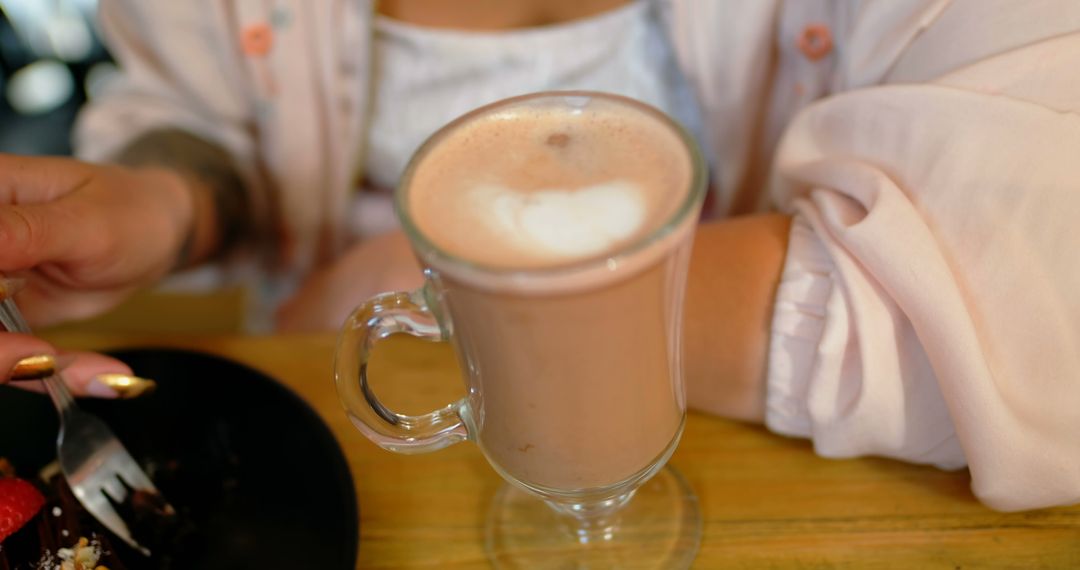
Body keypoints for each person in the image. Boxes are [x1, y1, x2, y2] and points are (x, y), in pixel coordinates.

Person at [1, 0, 1078, 512]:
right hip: (337, 458)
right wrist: (172, 198)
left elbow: (1047, 312)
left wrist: (412, 276)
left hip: (753, 452)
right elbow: (202, 113)